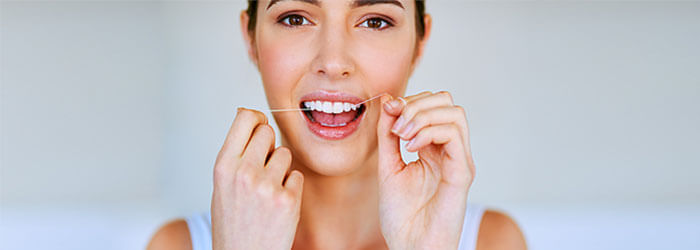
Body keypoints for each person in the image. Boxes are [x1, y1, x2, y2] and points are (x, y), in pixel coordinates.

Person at [148, 0, 526, 249]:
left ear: (418, 44)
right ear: (251, 39)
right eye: (295, 18)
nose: (333, 61)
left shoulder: (491, 241)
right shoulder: (177, 245)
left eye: (375, 21)